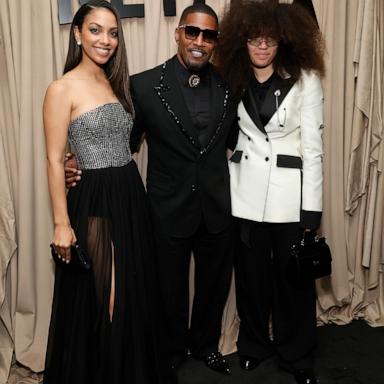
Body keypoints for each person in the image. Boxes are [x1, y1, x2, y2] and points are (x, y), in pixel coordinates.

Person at [66, 3, 237, 376]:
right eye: (192, 32)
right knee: (168, 288)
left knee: (213, 284)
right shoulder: (143, 85)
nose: (199, 41)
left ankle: (206, 344)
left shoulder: (230, 85)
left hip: (217, 205)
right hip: (165, 207)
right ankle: (171, 349)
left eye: (208, 36)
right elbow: (120, 140)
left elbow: (238, 142)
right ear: (178, 33)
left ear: (215, 43)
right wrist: (75, 160)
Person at [43, 1, 172, 383]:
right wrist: (61, 223)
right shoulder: (61, 88)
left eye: (113, 32)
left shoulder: (115, 83)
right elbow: (53, 160)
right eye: (96, 30)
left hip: (130, 194)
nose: (106, 39)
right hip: (94, 199)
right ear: (77, 34)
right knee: (105, 300)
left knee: (133, 296)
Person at [215, 2, 325, 384]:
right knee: (250, 280)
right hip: (245, 195)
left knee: (293, 283)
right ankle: (254, 346)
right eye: (253, 40)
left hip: (289, 199)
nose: (262, 47)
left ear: (283, 41)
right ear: (241, 42)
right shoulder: (234, 78)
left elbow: (313, 148)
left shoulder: (306, 79)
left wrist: (312, 209)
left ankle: (298, 356)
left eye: (270, 40)